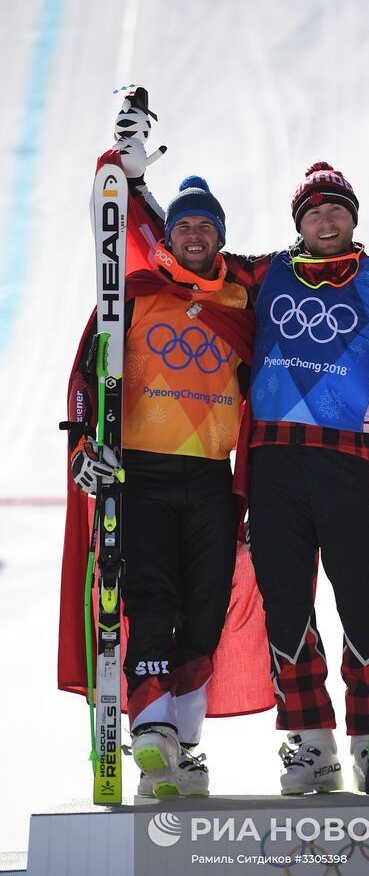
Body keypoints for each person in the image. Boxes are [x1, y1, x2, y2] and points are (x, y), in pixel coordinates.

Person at [59, 89, 273, 797]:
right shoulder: (134, 289)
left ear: (219, 236)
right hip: (142, 472)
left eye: (206, 226)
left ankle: (183, 744)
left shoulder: (243, 295)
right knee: (149, 597)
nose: (194, 235)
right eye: (184, 226)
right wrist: (83, 447)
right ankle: (151, 731)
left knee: (206, 607)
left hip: (212, 476)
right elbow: (87, 374)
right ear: (170, 235)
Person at [244, 162, 369, 795]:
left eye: (337, 210)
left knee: (364, 601)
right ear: (299, 222)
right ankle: (313, 744)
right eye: (314, 212)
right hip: (273, 463)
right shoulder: (264, 274)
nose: (326, 221)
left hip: (348, 463)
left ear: (353, 218)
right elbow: (193, 262)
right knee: (285, 603)